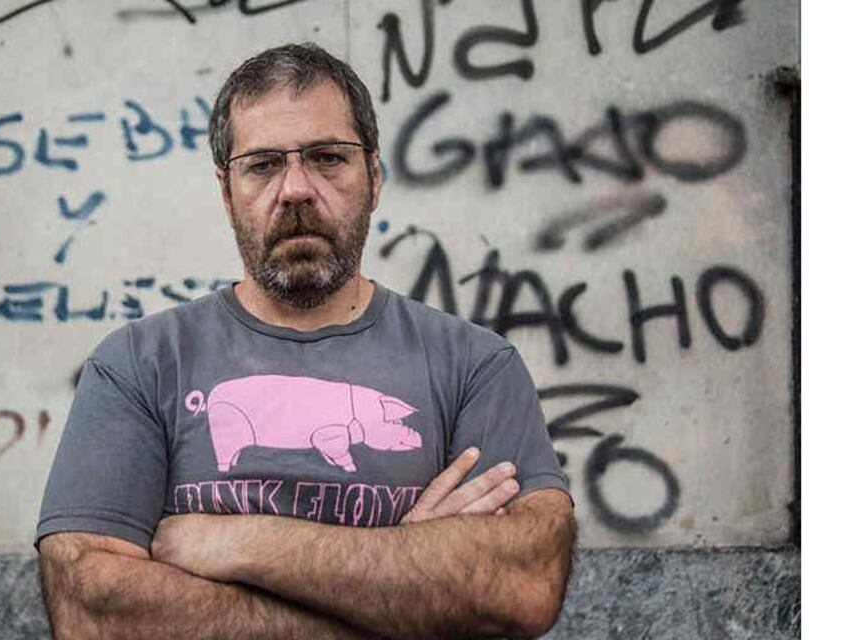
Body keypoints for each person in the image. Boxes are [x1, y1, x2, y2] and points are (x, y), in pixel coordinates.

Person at [36, 42, 574, 639]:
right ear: (227, 193)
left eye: (327, 158)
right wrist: (401, 582)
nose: (295, 189)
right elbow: (94, 613)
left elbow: (524, 583)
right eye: (263, 164)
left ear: (373, 178)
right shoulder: (140, 364)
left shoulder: (474, 365)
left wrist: (236, 543)